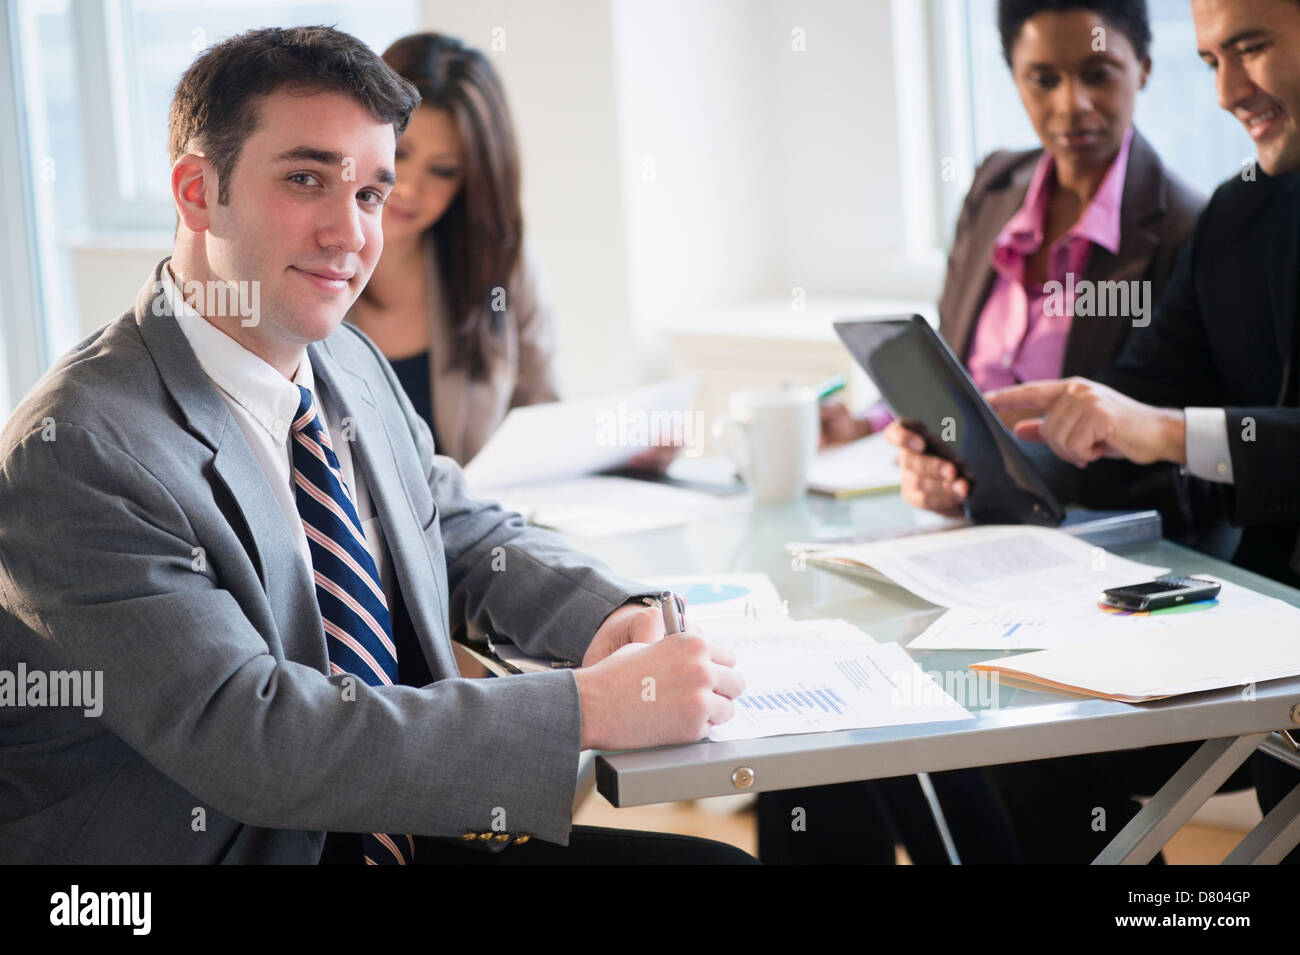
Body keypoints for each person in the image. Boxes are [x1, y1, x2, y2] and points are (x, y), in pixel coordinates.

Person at [0, 25, 750, 865]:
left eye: (368, 195)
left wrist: (613, 613)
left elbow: (459, 531)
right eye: (306, 179)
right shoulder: (77, 451)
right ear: (196, 192)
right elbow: (257, 737)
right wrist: (587, 708)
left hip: (384, 829)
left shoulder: (344, 359)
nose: (350, 235)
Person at [760, 0, 1205, 864]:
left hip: (1084, 561)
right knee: (806, 700)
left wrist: (991, 471)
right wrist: (897, 427)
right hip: (964, 544)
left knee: (953, 737)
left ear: (1144, 69)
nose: (1071, 104)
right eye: (1043, 78)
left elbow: (1160, 452)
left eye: (1098, 73)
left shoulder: (1184, 227)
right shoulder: (998, 186)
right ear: (1014, 78)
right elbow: (966, 375)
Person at [887, 0, 1300, 863]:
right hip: (1263, 632)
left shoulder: (1200, 213)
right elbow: (1130, 406)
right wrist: (983, 459)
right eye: (1213, 58)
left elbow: (1161, 427)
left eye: (1252, 49)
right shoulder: (1239, 217)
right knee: (1016, 738)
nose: (1227, 90)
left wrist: (1166, 430)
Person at [345, 32, 675, 472]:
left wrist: (621, 456)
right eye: (400, 153)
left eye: (443, 171)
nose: (408, 188)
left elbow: (540, 421)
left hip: (474, 530)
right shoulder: (310, 265)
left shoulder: (498, 262)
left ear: (472, 180)